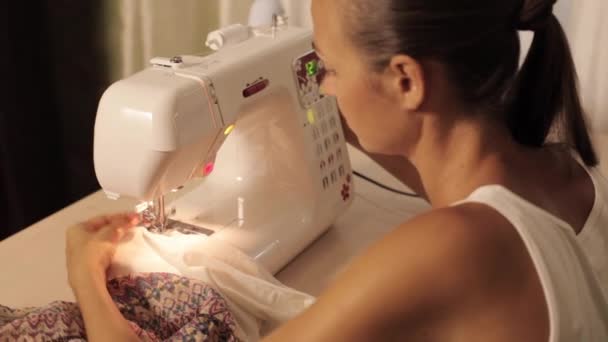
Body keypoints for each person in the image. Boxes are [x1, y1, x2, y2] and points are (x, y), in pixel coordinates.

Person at [66, 0, 608, 340]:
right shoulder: (554, 180)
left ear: (405, 81)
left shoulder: (450, 247)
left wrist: (86, 275)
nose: (321, 87)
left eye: (328, 67)